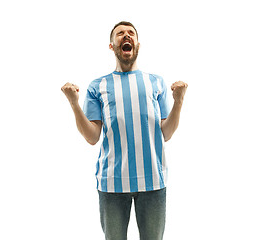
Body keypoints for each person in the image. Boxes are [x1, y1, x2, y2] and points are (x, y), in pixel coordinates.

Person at [61, 21, 187, 240]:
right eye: (120, 33)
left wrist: (179, 100)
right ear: (112, 45)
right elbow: (92, 137)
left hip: (153, 182)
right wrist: (73, 103)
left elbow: (166, 133)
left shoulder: (155, 82)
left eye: (131, 33)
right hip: (112, 183)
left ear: (137, 44)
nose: (126, 36)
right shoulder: (97, 86)